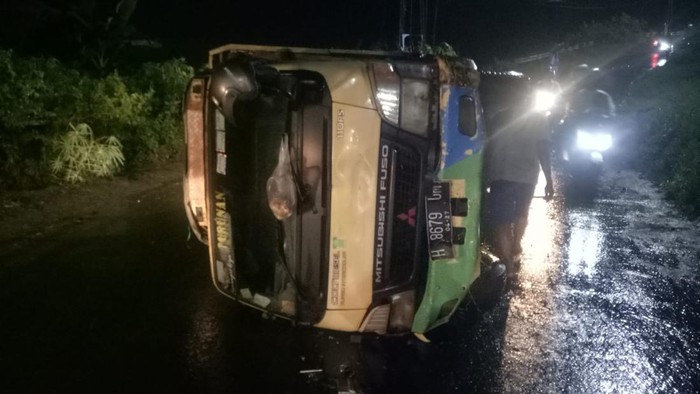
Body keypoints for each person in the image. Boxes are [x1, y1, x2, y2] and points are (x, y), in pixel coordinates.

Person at [484, 87, 554, 280]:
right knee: (522, 211)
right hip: (526, 175)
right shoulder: (540, 119)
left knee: (502, 220)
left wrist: (485, 174)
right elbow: (543, 150)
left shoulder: (498, 117)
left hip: (501, 173)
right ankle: (515, 246)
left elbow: (487, 145)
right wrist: (549, 180)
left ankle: (508, 263)